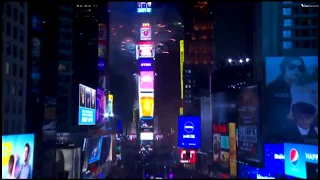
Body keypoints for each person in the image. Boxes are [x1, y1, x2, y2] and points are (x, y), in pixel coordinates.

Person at [266, 57, 308, 135]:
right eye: (292, 67)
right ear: (284, 68)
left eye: (300, 68)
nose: (296, 71)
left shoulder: (305, 89)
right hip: (276, 132)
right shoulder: (272, 88)